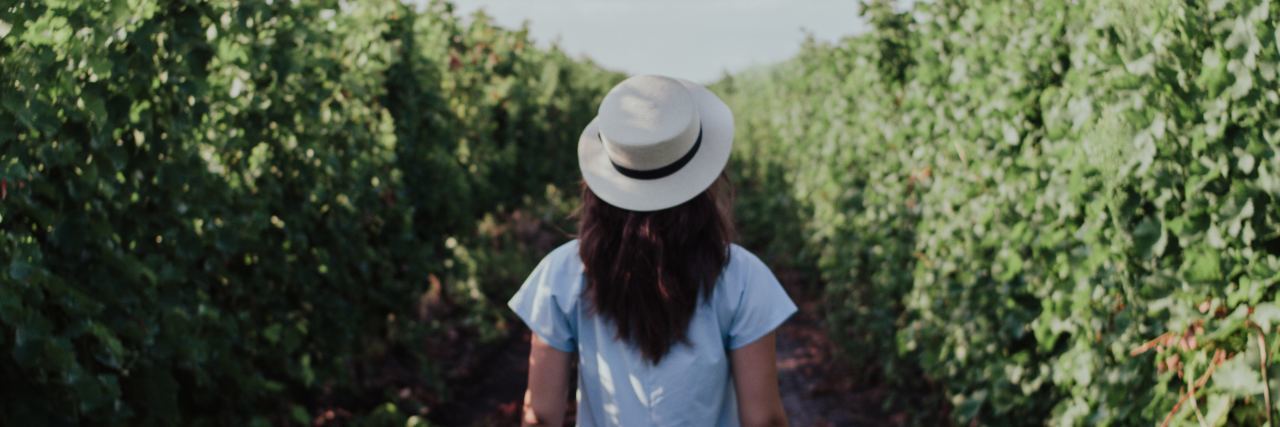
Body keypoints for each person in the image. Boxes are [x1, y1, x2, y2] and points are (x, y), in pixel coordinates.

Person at [508, 75, 797, 427]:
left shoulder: (563, 272)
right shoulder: (742, 276)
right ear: (704, 179)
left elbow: (541, 416)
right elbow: (763, 419)